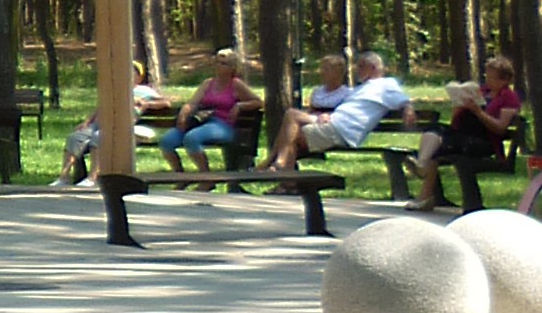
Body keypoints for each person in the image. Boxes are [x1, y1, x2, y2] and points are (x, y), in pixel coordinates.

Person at [265, 48, 412, 170]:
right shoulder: (361, 88)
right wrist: (328, 114)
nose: (357, 70)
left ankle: (277, 163)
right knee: (291, 132)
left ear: (373, 68)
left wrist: (408, 109)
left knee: (292, 128)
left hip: (342, 131)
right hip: (333, 124)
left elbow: (403, 99)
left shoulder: (386, 85)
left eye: (361, 66)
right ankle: (286, 181)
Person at [409, 55, 522, 210]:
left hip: (484, 140)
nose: (488, 81)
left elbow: (500, 128)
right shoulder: (482, 91)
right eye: (487, 76)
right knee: (434, 129)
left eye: (492, 78)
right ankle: (422, 164)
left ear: (505, 80)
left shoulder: (509, 97)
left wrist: (478, 112)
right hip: (463, 135)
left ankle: (425, 195)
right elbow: (455, 121)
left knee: (439, 148)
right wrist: (459, 105)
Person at [54, 61, 166, 186]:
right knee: (75, 138)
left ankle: (93, 178)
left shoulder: (144, 91)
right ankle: (64, 177)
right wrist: (87, 122)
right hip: (99, 123)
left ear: (139, 77)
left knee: (99, 137)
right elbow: (100, 107)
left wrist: (147, 103)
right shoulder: (113, 89)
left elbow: (166, 102)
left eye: (132, 72)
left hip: (119, 126)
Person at [158, 49, 259, 174]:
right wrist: (183, 115)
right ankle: (179, 175)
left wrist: (240, 106)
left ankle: (206, 177)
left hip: (223, 125)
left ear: (232, 67)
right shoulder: (208, 83)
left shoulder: (236, 84)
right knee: (167, 140)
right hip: (202, 121)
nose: (218, 65)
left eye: (223, 63)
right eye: (216, 62)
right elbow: (192, 103)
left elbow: (258, 102)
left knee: (192, 138)